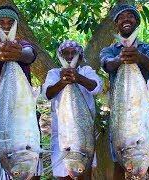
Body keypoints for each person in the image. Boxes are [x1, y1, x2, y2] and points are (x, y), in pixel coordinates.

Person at [0, 5, 42, 180]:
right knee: (5, 167)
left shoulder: (24, 45)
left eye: (10, 23)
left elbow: (29, 55)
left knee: (32, 170)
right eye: (0, 23)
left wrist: (18, 53)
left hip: (27, 120)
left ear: (16, 27)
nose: (5, 26)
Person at [99, 4, 149, 180]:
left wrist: (138, 56)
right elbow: (107, 65)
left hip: (144, 111)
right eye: (121, 17)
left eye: (130, 16)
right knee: (120, 160)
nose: (126, 19)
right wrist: (121, 58)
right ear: (116, 24)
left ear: (137, 22)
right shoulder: (109, 50)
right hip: (120, 113)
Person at [42, 40, 103, 180]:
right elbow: (47, 94)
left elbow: (97, 87)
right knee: (63, 174)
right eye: (65, 53)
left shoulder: (86, 71)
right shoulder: (54, 73)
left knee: (83, 170)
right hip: (61, 134)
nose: (69, 57)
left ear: (80, 57)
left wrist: (78, 78)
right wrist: (62, 81)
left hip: (84, 134)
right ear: (60, 56)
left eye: (73, 53)